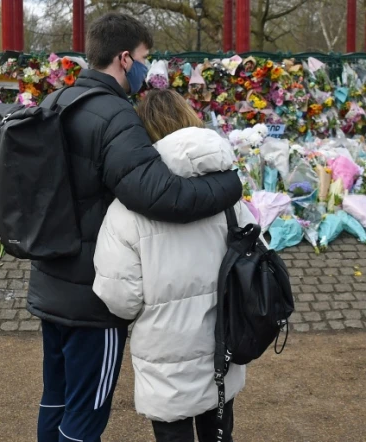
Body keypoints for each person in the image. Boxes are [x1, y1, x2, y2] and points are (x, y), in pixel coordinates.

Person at [28, 12, 243, 442]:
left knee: (56, 399)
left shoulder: (58, 102)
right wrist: (229, 183)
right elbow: (162, 195)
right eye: (145, 57)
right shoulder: (113, 116)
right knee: (86, 415)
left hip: (50, 280)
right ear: (125, 58)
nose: (148, 67)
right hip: (90, 295)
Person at [93, 89, 255, 442]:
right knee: (219, 435)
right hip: (223, 342)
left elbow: (120, 297)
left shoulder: (126, 210)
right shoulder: (229, 194)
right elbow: (254, 257)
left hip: (165, 355)